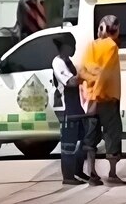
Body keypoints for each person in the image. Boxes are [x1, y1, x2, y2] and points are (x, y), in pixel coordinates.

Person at [79, 15, 126, 186]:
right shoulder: (112, 46)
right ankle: (112, 174)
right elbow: (107, 73)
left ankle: (92, 173)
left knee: (90, 136)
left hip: (91, 99)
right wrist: (101, 89)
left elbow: (84, 69)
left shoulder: (91, 46)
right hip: (106, 98)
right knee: (112, 134)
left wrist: (92, 91)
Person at [51, 34, 88, 185]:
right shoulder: (58, 62)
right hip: (65, 108)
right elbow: (70, 82)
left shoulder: (68, 62)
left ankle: (77, 170)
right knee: (68, 143)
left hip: (76, 107)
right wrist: (86, 74)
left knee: (85, 140)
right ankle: (68, 176)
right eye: (71, 46)